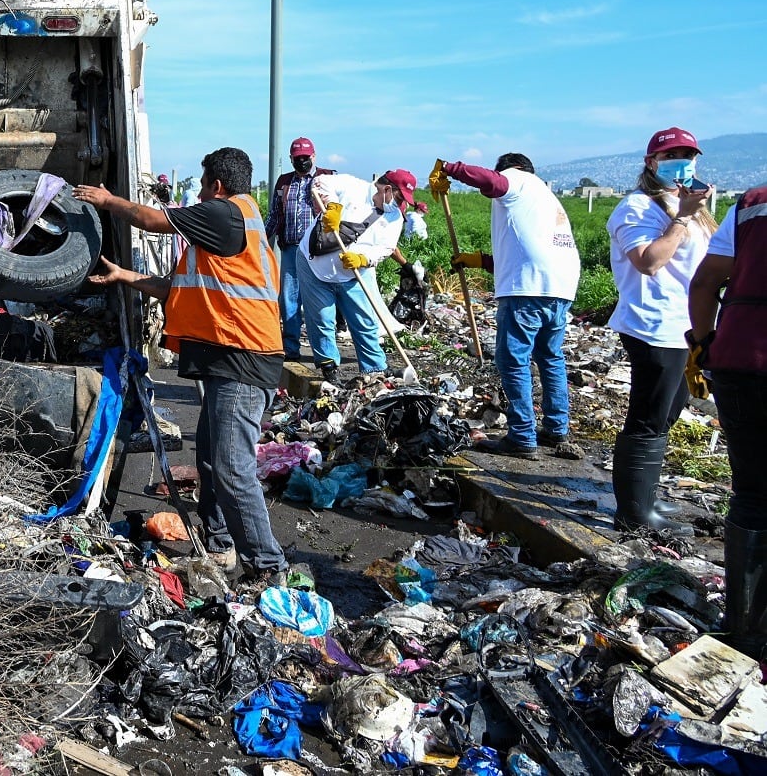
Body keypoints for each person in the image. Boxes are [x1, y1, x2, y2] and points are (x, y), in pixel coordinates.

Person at [75, 148, 288, 583]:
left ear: (216, 185)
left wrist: (107, 200)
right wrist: (126, 277)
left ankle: (269, 569)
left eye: (204, 182)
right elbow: (179, 288)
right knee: (212, 463)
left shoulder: (226, 215)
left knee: (232, 469)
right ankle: (221, 547)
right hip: (231, 362)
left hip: (243, 362)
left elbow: (154, 220)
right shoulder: (234, 227)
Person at [430, 154, 581, 460]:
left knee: (513, 359)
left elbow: (491, 181)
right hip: (560, 286)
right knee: (550, 357)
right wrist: (479, 261)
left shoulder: (517, 181)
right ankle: (555, 430)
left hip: (528, 289)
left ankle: (522, 436)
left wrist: (449, 169)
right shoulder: (543, 195)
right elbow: (526, 250)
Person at [606, 126, 715, 535]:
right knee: (648, 416)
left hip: (688, 328)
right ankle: (633, 512)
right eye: (672, 155)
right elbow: (649, 261)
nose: (682, 162)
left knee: (669, 412)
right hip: (653, 325)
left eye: (689, 154)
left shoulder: (696, 209)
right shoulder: (637, 207)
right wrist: (681, 219)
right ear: (651, 162)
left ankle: (645, 494)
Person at [688, 181, 767, 653]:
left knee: (754, 495)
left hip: (741, 361)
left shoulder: (753, 204)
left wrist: (703, 343)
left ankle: (746, 631)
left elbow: (705, 281)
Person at [295, 170, 413, 383]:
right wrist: (333, 206)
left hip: (354, 271)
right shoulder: (353, 186)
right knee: (322, 318)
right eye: (400, 197)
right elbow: (320, 181)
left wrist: (363, 259)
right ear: (387, 189)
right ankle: (329, 369)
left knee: (364, 320)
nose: (401, 203)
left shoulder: (394, 217)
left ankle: (374, 368)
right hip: (315, 265)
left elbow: (386, 248)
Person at [264, 137, 337, 360]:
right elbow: (275, 215)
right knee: (289, 300)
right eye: (298, 159)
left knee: (319, 303)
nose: (302, 162)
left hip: (319, 251)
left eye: (306, 158)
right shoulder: (285, 182)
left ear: (314, 157)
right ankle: (290, 349)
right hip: (291, 249)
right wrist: (262, 240)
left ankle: (325, 356)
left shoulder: (327, 178)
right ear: (291, 159)